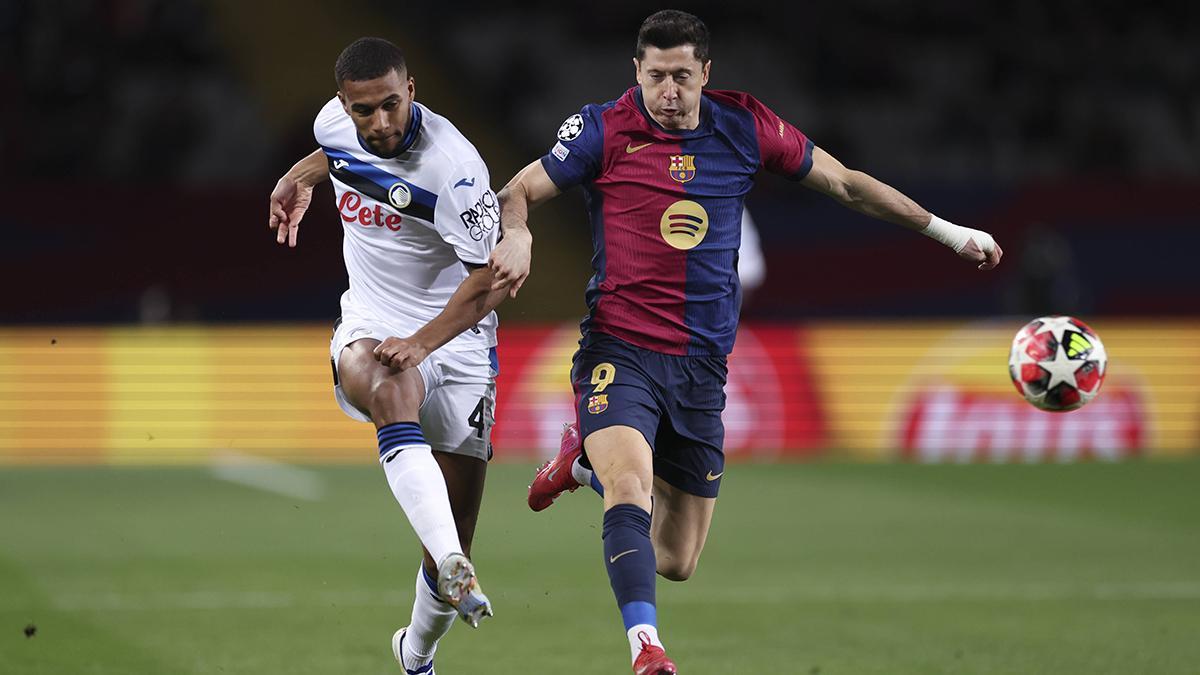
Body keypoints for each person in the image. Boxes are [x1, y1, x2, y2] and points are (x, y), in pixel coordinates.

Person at [489, 10, 1002, 674]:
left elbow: (844, 183)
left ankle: (578, 462)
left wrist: (948, 232)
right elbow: (518, 189)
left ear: (706, 72)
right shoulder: (602, 129)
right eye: (654, 76)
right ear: (635, 73)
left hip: (703, 367)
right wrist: (518, 230)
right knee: (631, 485)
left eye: (680, 76)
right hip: (620, 350)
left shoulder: (745, 125)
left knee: (676, 560)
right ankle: (645, 647)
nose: (667, 91)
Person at [267, 37, 525, 674]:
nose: (379, 124)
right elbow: (336, 153)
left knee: (453, 526)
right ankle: (455, 565)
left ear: (412, 92)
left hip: (459, 335)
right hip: (373, 318)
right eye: (364, 111)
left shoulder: (455, 172)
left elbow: (491, 283)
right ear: (343, 105)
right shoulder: (335, 125)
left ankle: (415, 651)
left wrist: (424, 341)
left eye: (391, 106)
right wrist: (297, 177)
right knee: (383, 383)